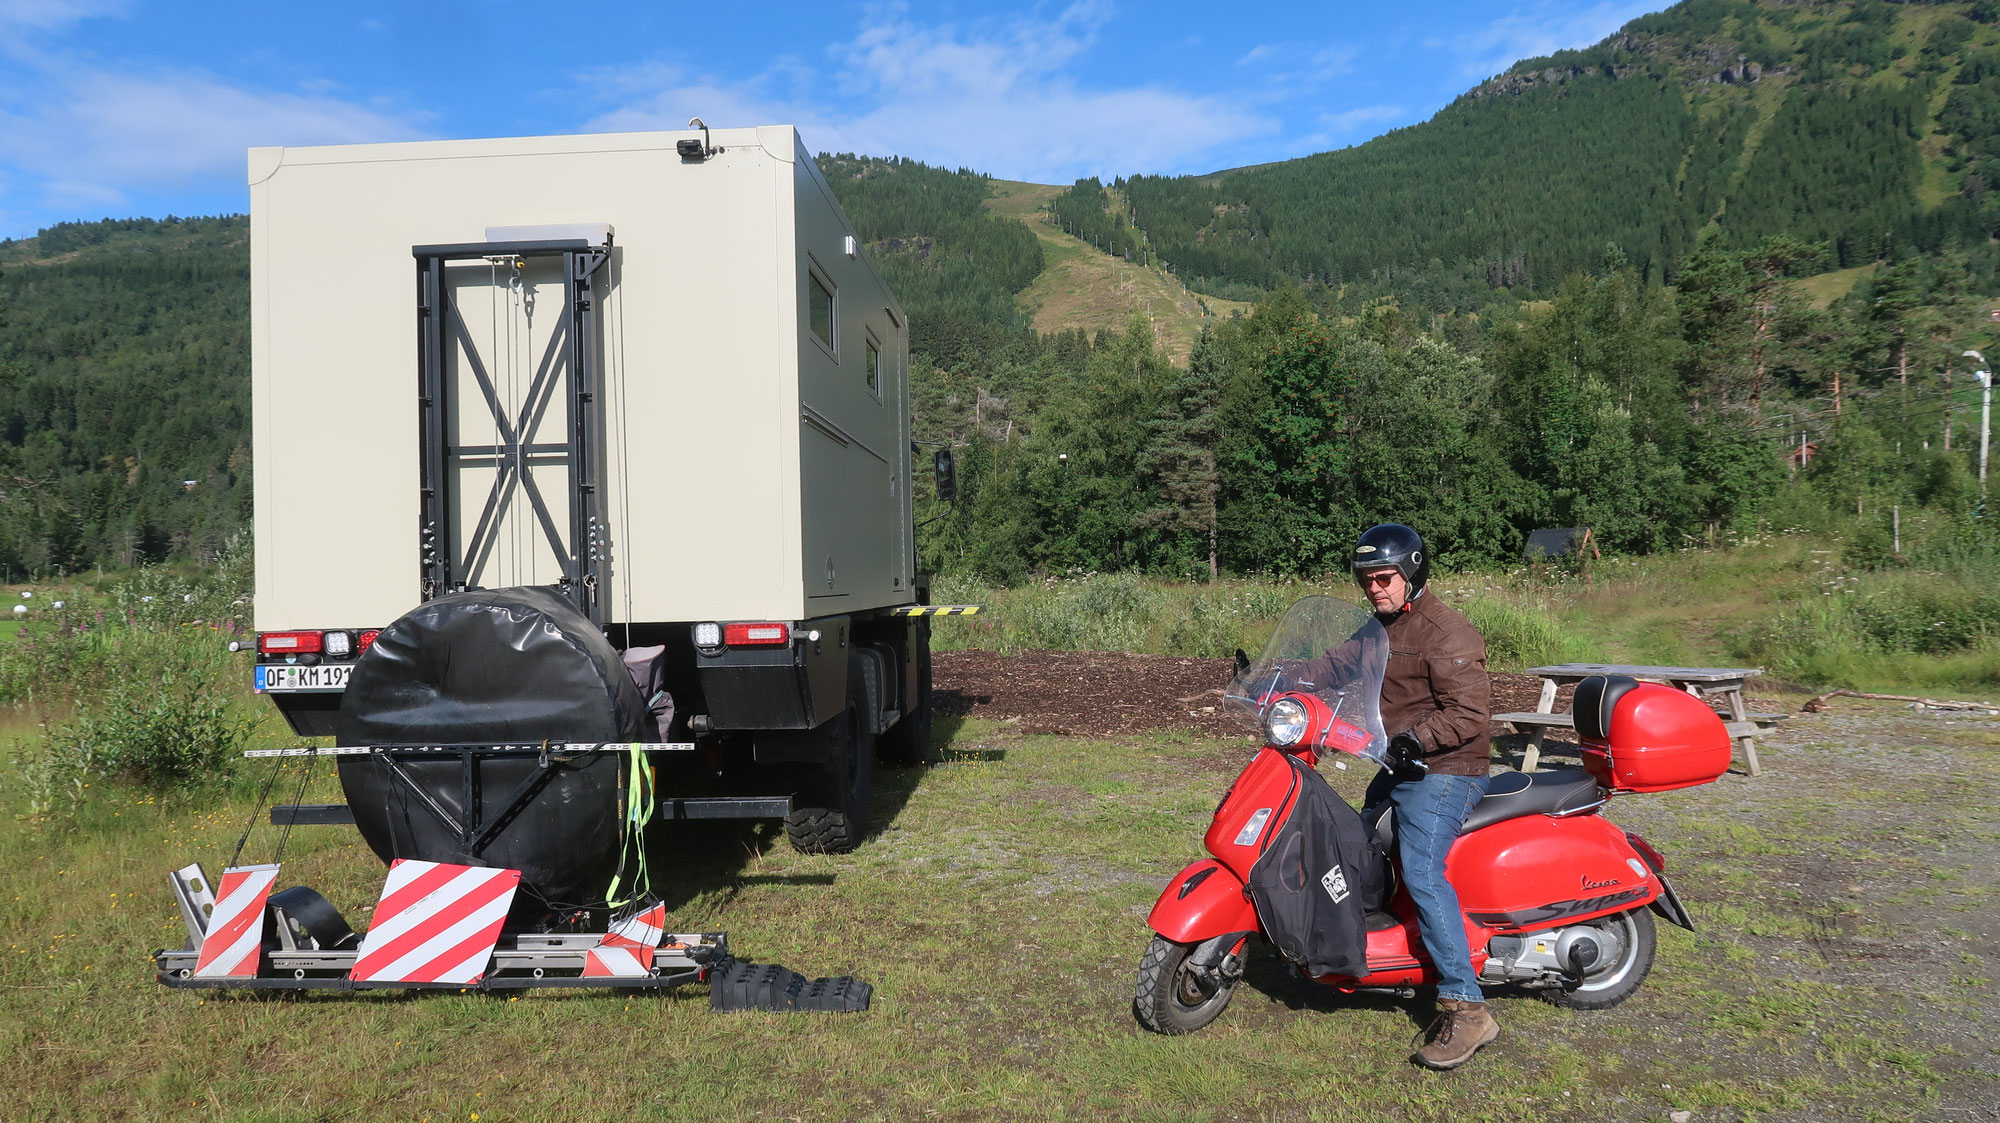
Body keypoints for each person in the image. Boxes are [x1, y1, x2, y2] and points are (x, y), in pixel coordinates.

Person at [1352, 522, 1498, 1070]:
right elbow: (1336, 667)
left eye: (1384, 578)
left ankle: (1467, 1007)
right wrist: (1276, 677)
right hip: (1399, 761)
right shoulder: (1377, 629)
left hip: (1448, 767)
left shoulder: (1447, 632)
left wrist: (1416, 739)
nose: (1375, 588)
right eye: (1366, 579)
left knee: (1421, 870)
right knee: (1355, 836)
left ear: (1411, 573)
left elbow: (1469, 713)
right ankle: (1366, 944)